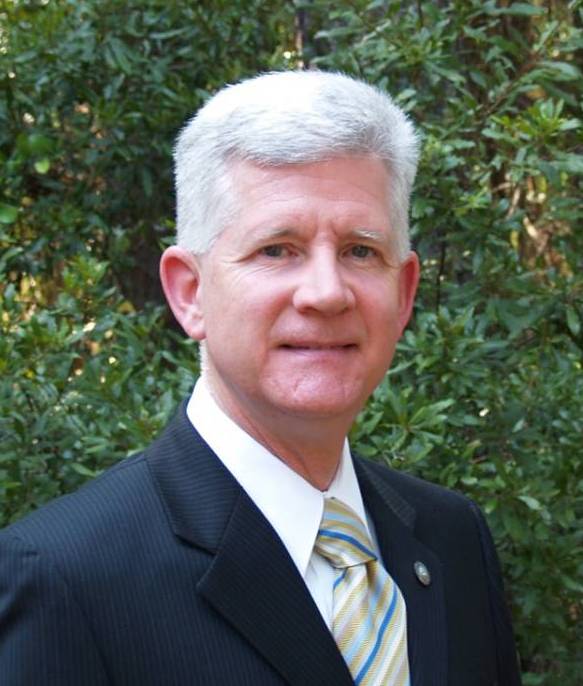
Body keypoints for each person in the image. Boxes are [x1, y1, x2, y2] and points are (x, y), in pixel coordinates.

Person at [0, 71, 521, 685]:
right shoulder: (63, 576)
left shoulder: (452, 538)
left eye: (360, 251)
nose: (326, 293)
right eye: (276, 249)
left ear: (404, 293)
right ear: (190, 292)